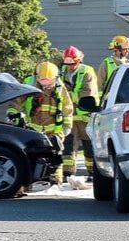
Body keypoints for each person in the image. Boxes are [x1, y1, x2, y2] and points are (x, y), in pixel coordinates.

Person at [7, 61, 73, 192]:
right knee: (29, 155)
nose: (46, 84)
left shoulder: (60, 88)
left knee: (56, 154)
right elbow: (15, 102)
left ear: (55, 78)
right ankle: (26, 182)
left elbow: (67, 108)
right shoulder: (29, 84)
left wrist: (66, 128)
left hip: (54, 129)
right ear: (37, 78)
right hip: (33, 128)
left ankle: (55, 181)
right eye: (43, 81)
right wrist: (13, 115)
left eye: (49, 81)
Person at [60, 46, 100, 179]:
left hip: (85, 116)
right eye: (68, 64)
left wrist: (69, 94)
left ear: (79, 61)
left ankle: (93, 172)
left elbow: (88, 94)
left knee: (89, 146)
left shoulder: (87, 72)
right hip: (69, 116)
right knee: (68, 145)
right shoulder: (62, 72)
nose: (70, 67)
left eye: (73, 64)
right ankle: (68, 173)